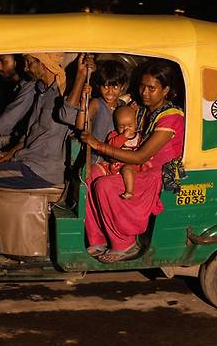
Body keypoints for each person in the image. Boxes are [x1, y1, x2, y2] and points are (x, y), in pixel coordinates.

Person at [0, 52, 72, 256]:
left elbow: (6, 126)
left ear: (45, 64)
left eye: (30, 63)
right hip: (29, 160)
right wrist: (10, 153)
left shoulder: (61, 96)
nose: (26, 68)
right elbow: (30, 133)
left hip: (42, 169)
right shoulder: (43, 92)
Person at [81, 59, 185, 263]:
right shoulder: (143, 109)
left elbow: (141, 156)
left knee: (105, 186)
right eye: (142, 87)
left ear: (166, 90)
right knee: (92, 173)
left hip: (157, 172)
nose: (145, 92)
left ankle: (124, 242)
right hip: (136, 167)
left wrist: (99, 145)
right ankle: (98, 238)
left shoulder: (171, 117)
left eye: (152, 88)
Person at [59, 54, 130, 162]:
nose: (109, 92)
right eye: (105, 87)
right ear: (99, 86)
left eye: (115, 87)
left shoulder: (123, 106)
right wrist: (83, 101)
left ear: (122, 87)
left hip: (115, 161)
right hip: (94, 160)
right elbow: (80, 126)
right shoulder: (97, 104)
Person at [94, 105, 152, 200]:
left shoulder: (139, 137)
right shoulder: (114, 135)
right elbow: (111, 147)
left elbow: (144, 151)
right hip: (117, 164)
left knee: (127, 169)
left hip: (131, 165)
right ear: (116, 125)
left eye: (130, 126)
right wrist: (123, 137)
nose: (126, 129)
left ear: (136, 124)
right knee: (96, 169)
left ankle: (129, 191)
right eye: (122, 126)